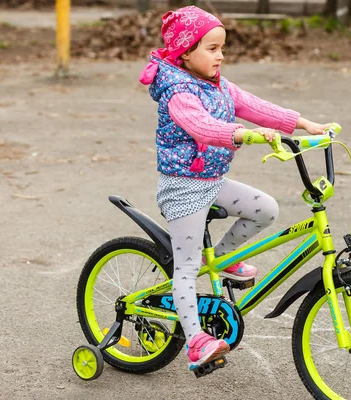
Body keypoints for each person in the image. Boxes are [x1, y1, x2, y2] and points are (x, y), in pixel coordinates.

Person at [138, 6, 331, 370]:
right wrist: (244, 135)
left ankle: (225, 260)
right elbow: (202, 128)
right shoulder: (178, 92)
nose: (221, 56)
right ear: (185, 52)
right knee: (188, 267)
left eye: (222, 48)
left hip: (212, 182)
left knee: (265, 209)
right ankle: (195, 341)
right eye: (212, 48)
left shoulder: (219, 86)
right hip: (183, 189)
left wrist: (306, 124)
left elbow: (258, 108)